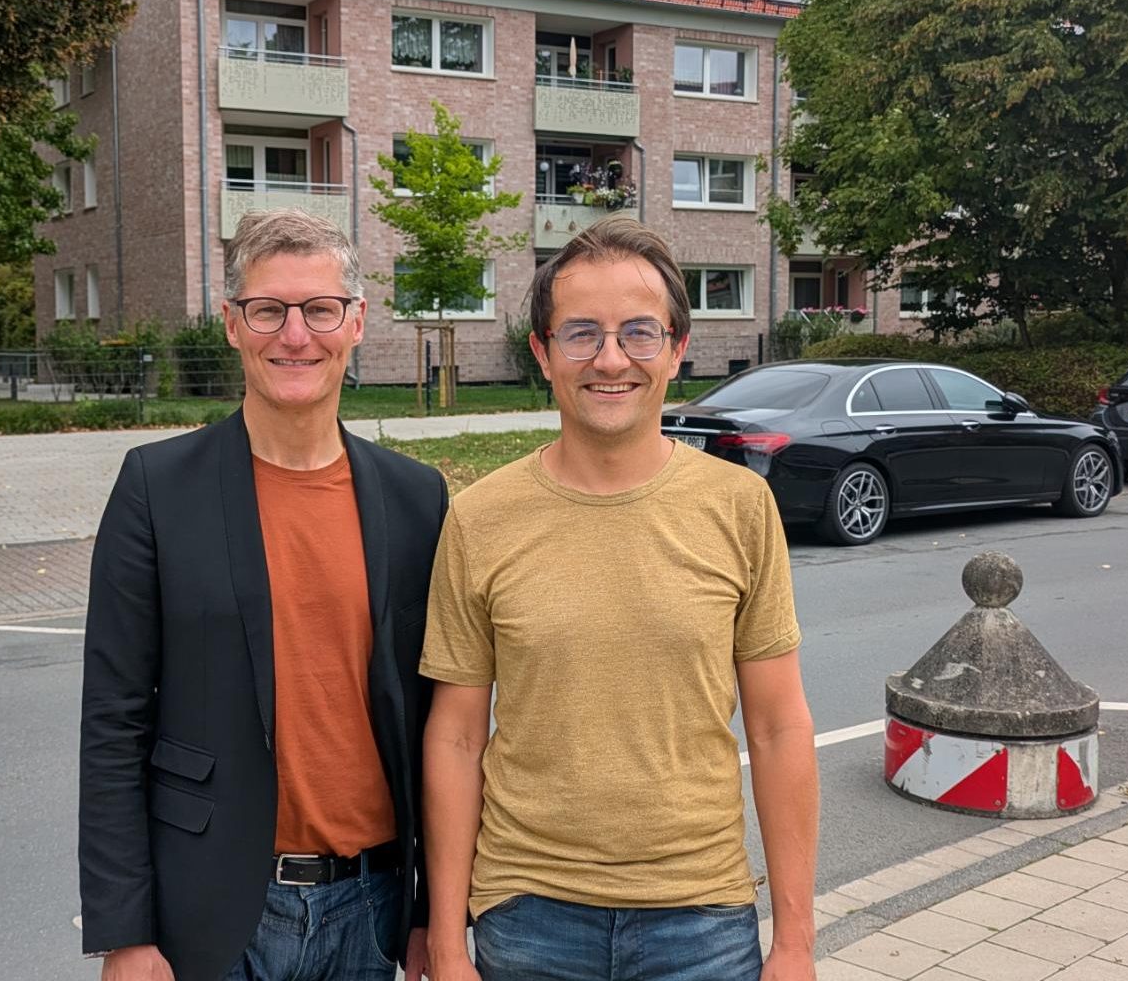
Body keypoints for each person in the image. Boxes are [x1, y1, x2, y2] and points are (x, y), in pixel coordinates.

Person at [419, 217, 820, 981]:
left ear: (676, 347)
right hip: (526, 913)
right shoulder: (480, 517)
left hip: (700, 916)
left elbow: (777, 728)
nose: (610, 359)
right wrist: (446, 942)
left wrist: (795, 942)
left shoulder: (739, 507)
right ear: (541, 354)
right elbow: (456, 738)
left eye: (639, 332)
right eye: (581, 334)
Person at [80, 208, 445, 980]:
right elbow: (113, 722)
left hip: (372, 914)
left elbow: (438, 724)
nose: (294, 335)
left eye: (319, 310)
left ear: (355, 323)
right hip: (211, 913)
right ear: (232, 324)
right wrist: (126, 931)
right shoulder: (156, 487)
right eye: (268, 310)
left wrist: (433, 916)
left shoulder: (417, 499)